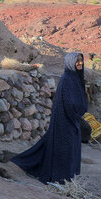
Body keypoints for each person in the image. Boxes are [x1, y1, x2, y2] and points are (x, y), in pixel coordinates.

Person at [11, 53, 88, 184]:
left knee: (69, 147)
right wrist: (76, 113)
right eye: (77, 61)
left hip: (73, 119)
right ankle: (59, 177)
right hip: (64, 120)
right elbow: (68, 103)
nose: (80, 63)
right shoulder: (67, 79)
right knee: (64, 148)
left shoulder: (76, 78)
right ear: (70, 62)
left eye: (81, 61)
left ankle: (67, 176)